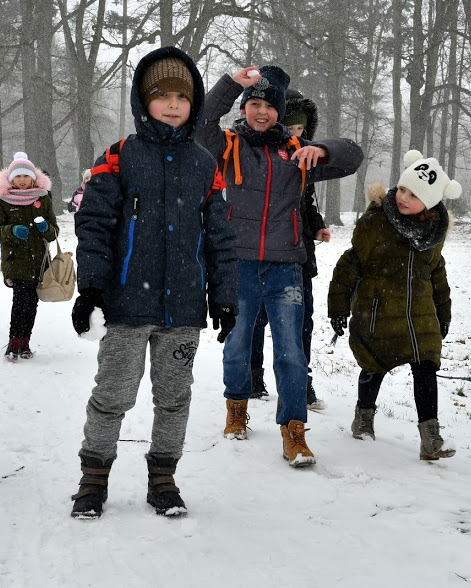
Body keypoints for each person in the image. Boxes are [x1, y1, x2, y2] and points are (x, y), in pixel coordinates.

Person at [69, 46, 237, 518]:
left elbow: (220, 236)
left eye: (181, 96)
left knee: (174, 398)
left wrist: (225, 296)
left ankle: (163, 477)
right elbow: (95, 224)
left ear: (194, 102)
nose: (171, 103)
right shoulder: (119, 156)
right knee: (113, 395)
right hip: (126, 306)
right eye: (160, 94)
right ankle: (93, 478)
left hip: (182, 308)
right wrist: (93, 287)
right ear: (143, 100)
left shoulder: (205, 164)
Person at [195, 64, 363, 467]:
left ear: (280, 112)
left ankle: (294, 432)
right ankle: (236, 405)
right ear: (245, 107)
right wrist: (232, 84)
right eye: (254, 104)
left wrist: (322, 150)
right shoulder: (228, 145)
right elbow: (200, 121)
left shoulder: (295, 151)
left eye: (269, 107)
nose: (261, 112)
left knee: (290, 352)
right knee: (236, 346)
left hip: (285, 266)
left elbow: (352, 156)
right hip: (239, 264)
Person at [328, 150, 460, 460]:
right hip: (377, 311)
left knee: (426, 368)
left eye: (414, 194)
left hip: (419, 315)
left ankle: (430, 438)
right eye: (402, 188)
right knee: (373, 366)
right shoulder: (376, 222)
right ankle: (363, 417)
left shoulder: (433, 231)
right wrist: (338, 308)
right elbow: (350, 266)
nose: (403, 197)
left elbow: (436, 272)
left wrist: (443, 313)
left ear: (428, 203)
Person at [249, 89, 329, 411]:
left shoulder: (305, 158)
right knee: (257, 318)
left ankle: (300, 382)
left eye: (302, 130)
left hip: (299, 254)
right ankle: (253, 376)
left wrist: (318, 224)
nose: (297, 135)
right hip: (263, 252)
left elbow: (305, 203)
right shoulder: (260, 157)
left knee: (302, 320)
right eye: (292, 128)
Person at [0, 151, 59, 360]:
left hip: (38, 261)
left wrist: (46, 227)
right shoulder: (3, 200)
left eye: (26, 176)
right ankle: (14, 343)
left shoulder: (42, 199)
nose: (22, 180)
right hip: (15, 259)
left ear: (33, 178)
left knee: (31, 303)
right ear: (11, 179)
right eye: (18, 176)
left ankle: (25, 342)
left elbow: (54, 232)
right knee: (21, 300)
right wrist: (11, 231)